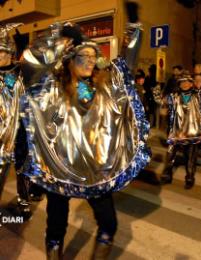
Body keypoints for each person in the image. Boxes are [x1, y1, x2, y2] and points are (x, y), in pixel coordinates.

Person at [20, 2, 150, 259]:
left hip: (95, 172)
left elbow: (127, 65)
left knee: (109, 224)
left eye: (94, 57)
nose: (90, 62)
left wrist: (134, 28)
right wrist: (63, 40)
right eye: (84, 57)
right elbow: (32, 61)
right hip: (60, 170)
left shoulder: (106, 87)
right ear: (70, 60)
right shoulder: (52, 88)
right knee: (56, 225)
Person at [0, 23, 33, 219]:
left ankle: (24, 202)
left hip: (20, 130)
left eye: (1, 52)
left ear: (9, 53)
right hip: (1, 133)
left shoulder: (19, 73)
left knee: (23, 170)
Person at [160, 71, 201, 189]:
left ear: (191, 83)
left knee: (191, 155)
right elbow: (163, 103)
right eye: (182, 82)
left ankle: (190, 176)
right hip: (176, 130)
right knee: (170, 153)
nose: (185, 84)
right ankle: (167, 174)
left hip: (192, 131)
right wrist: (159, 96)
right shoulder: (174, 96)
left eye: (187, 82)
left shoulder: (197, 95)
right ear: (179, 84)